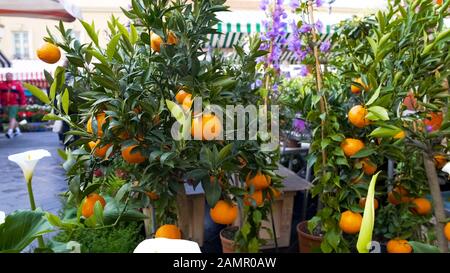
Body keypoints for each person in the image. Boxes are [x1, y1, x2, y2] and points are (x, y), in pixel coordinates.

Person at [0, 73, 26, 138]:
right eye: (7, 76)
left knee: (12, 117)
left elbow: (22, 94)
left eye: (9, 76)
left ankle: (10, 132)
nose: (8, 77)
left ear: (12, 76)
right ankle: (18, 130)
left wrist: (23, 103)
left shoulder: (17, 84)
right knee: (12, 118)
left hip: (14, 104)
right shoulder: (2, 84)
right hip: (5, 104)